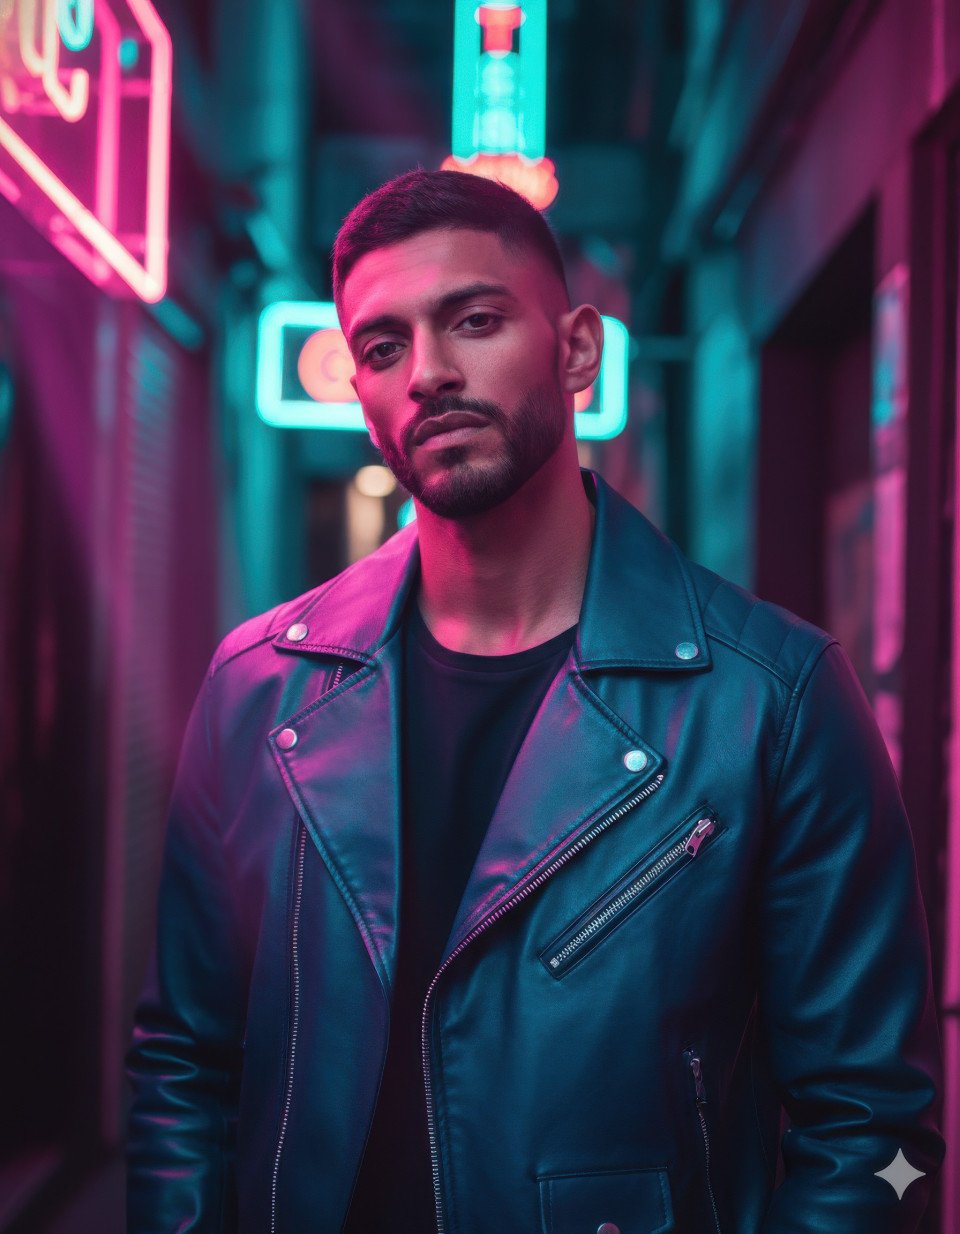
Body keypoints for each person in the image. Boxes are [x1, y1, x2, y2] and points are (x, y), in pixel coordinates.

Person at [126, 169, 945, 1234]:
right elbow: (183, 1062)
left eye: (474, 320)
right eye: (383, 347)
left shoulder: (771, 698)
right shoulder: (261, 686)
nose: (428, 373)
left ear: (576, 352)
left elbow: (881, 1136)